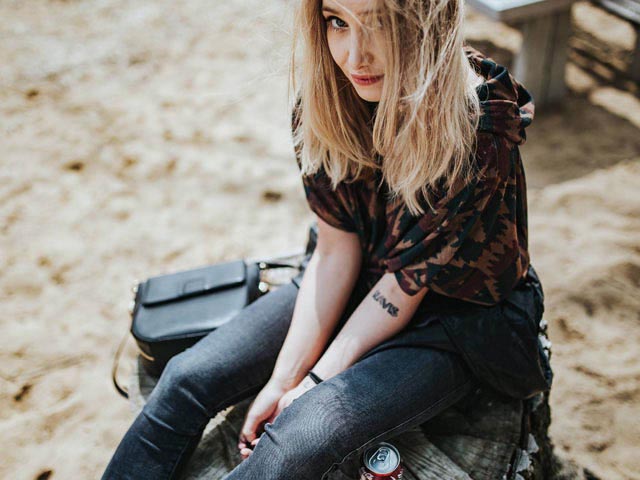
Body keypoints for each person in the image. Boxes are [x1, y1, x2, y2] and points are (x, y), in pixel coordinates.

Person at [102, 0, 552, 478]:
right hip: (360, 274)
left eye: (380, 24)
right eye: (338, 22)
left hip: (456, 319)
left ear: (429, 21)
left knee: (299, 437)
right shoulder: (329, 98)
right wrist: (283, 379)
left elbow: (402, 288)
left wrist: (312, 382)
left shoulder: (477, 126)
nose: (356, 55)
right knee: (184, 380)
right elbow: (337, 247)